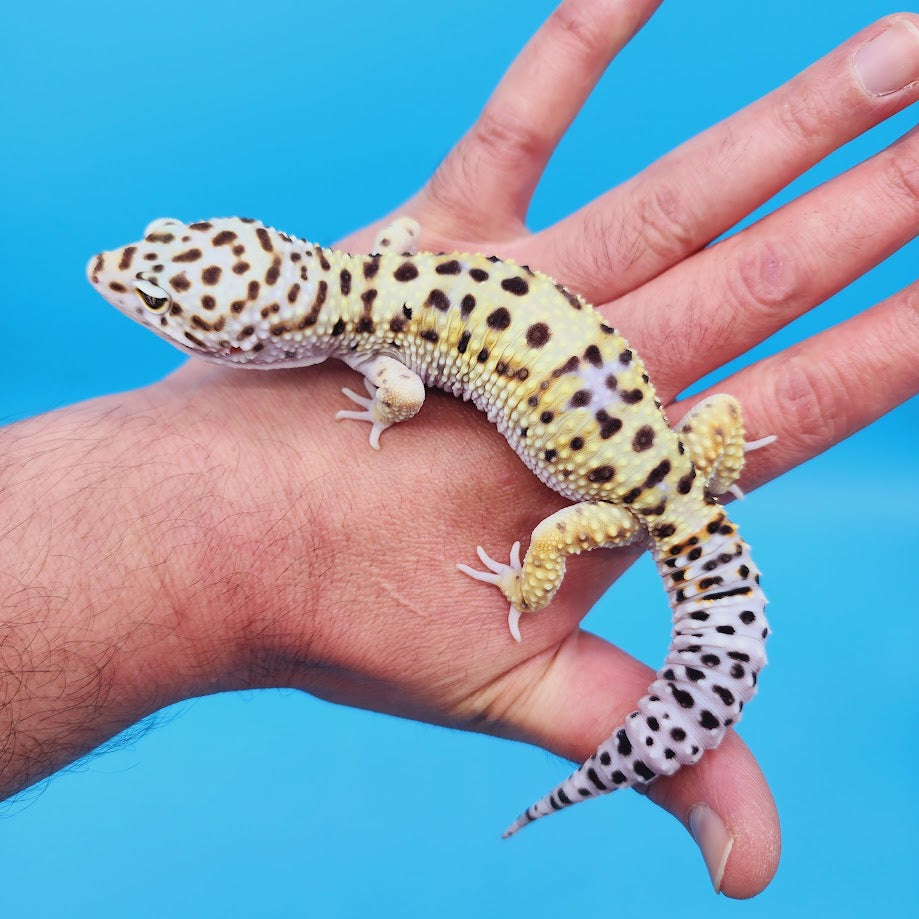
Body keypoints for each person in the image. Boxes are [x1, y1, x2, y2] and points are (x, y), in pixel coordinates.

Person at [1, 0, 916, 899]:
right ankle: (703, 473)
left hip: (628, 498)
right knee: (700, 433)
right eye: (163, 284)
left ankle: (525, 586)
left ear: (261, 342)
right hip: (684, 462)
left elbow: (399, 395)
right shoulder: (384, 259)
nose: (122, 276)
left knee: (551, 536)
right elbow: (403, 262)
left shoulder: (373, 351)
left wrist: (515, 577)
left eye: (163, 296)